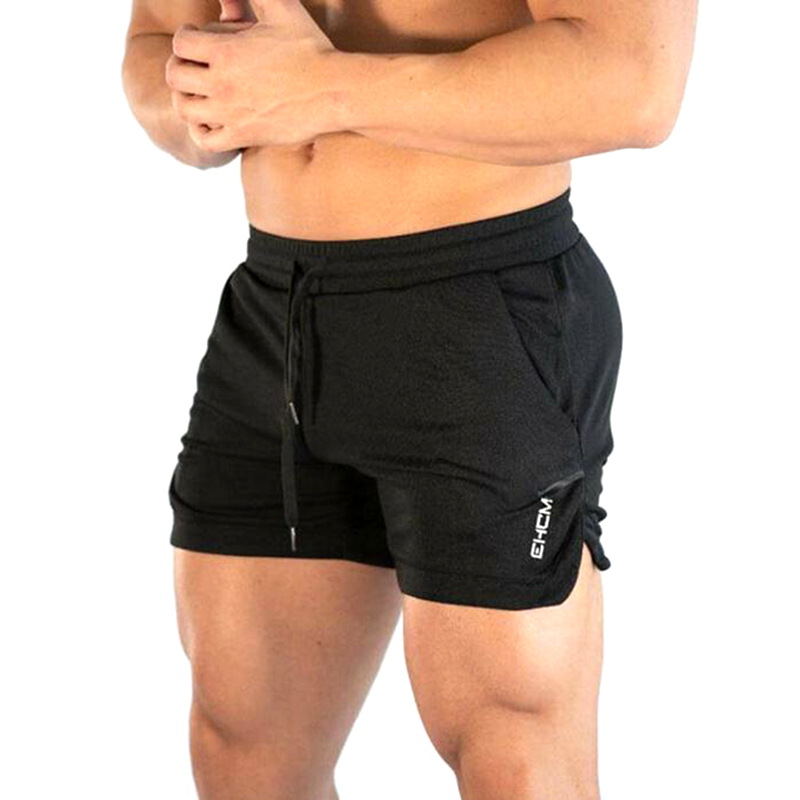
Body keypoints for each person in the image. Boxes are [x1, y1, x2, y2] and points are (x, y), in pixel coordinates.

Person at [122, 1, 697, 797]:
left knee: (511, 749)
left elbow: (635, 79)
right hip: (278, 307)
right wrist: (207, 98)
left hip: (478, 304)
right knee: (244, 745)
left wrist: (324, 89)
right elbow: (155, 40)